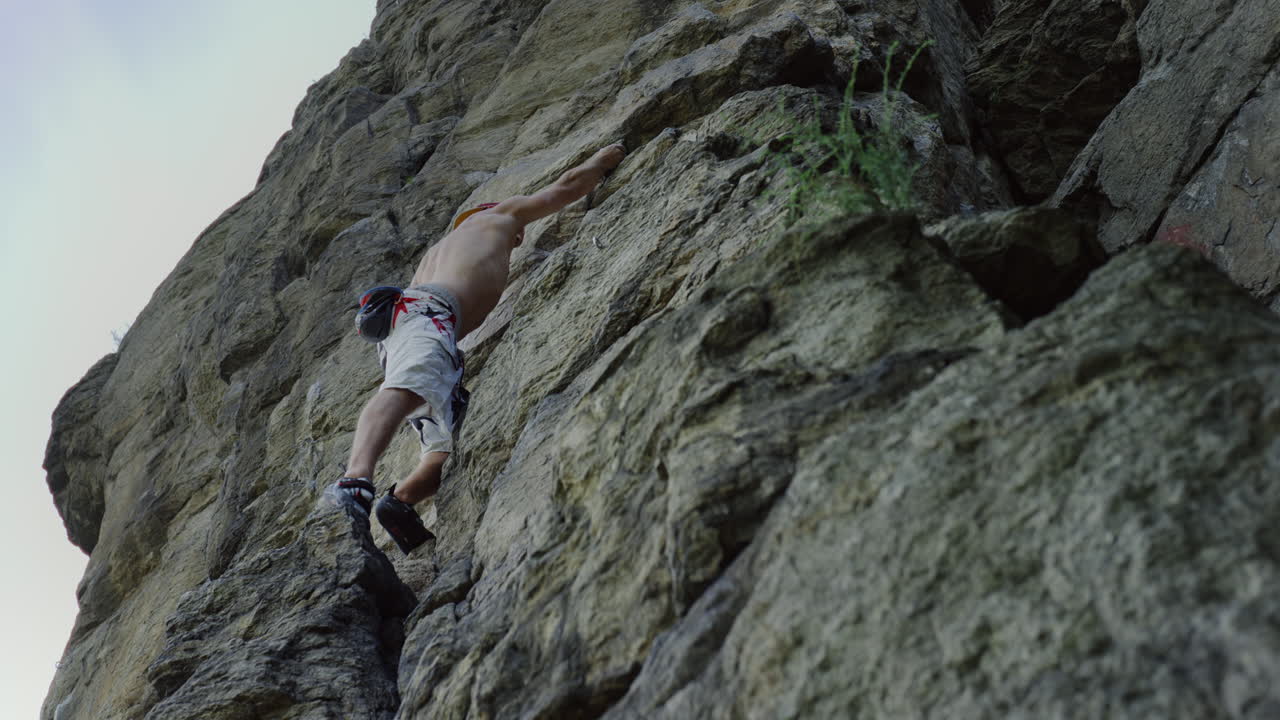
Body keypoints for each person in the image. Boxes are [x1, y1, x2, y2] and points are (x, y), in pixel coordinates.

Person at [329, 142, 627, 553]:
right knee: (406, 387)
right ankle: (356, 479)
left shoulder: (437, 255)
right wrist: (606, 158)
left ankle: (399, 502)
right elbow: (565, 188)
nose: (520, 239)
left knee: (444, 442)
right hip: (429, 314)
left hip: (415, 322)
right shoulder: (499, 215)